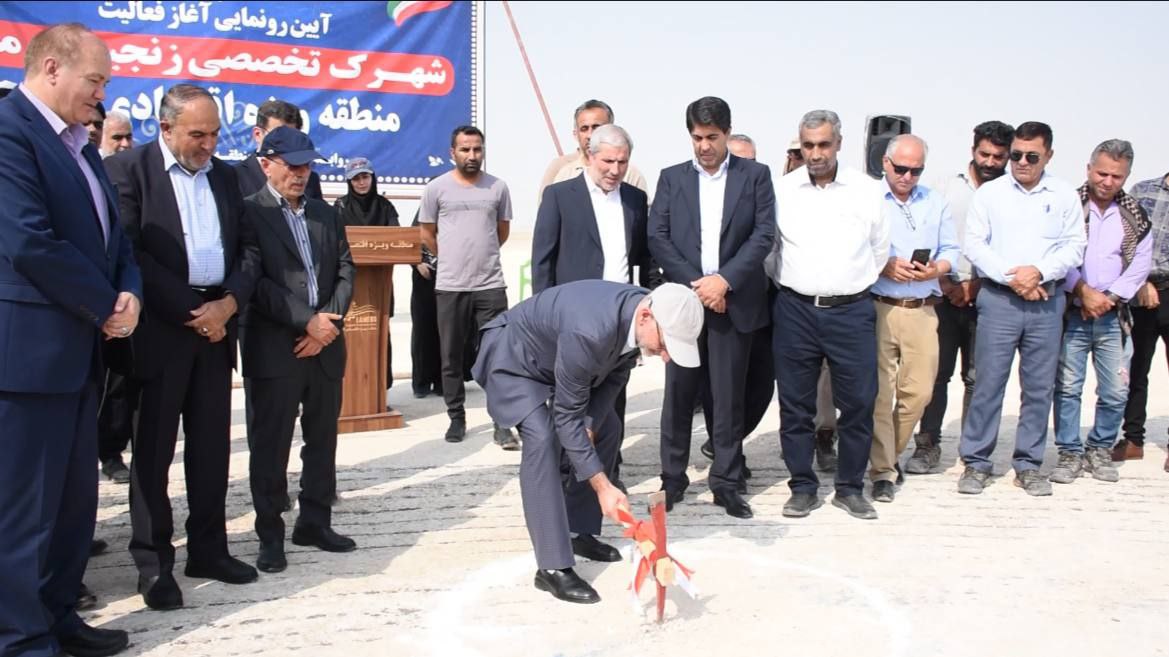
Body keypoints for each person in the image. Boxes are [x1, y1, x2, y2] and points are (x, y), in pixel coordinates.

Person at [0, 22, 141, 657]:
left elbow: (115, 239)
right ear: (52, 67)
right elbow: (29, 241)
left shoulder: (81, 145)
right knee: (22, 514)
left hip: (81, 355)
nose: (101, 93)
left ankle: (58, 619)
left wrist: (129, 291)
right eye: (95, 80)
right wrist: (105, 303)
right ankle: (19, 638)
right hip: (29, 358)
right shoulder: (9, 131)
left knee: (71, 508)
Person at [105, 83, 261, 610]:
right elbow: (130, 252)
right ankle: (154, 565)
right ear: (165, 128)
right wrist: (194, 312)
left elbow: (249, 250)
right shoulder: (129, 172)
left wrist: (228, 305)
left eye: (215, 134)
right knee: (153, 454)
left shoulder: (227, 176)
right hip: (163, 330)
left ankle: (209, 550)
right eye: (197, 134)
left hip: (217, 329)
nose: (208, 145)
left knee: (212, 448)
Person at [472, 280, 703, 604]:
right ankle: (552, 568)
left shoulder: (639, 313)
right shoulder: (590, 331)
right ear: (646, 317)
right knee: (542, 439)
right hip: (514, 359)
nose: (666, 356)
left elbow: (616, 376)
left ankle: (578, 530)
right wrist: (603, 486)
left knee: (607, 426)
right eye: (666, 344)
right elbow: (567, 416)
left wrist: (590, 428)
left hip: (557, 359)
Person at [649, 96, 775, 519]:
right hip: (686, 304)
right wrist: (699, 286)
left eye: (712, 137)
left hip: (732, 303)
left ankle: (726, 481)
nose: (704, 146)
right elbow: (658, 236)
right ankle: (672, 479)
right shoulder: (672, 178)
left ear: (727, 133)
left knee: (728, 397)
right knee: (678, 396)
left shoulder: (755, 176)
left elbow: (763, 235)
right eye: (697, 137)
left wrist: (724, 281)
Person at [243, 127, 358, 573]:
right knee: (271, 446)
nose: (300, 173)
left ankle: (315, 521)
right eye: (291, 165)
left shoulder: (325, 213)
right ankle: (270, 534)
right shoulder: (249, 212)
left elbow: (346, 269)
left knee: (322, 439)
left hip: (325, 345)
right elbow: (254, 281)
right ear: (266, 164)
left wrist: (327, 324)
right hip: (276, 348)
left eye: (306, 165)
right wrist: (305, 321)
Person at [770, 109, 887, 520]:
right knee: (795, 406)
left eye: (823, 144)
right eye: (808, 145)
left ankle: (850, 488)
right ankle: (802, 487)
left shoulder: (866, 190)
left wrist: (845, 284)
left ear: (839, 143)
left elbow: (879, 249)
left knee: (858, 404)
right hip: (796, 310)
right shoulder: (782, 190)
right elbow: (771, 250)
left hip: (851, 311)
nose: (816, 153)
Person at [958, 121, 1086, 496]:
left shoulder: (1063, 194)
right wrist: (1013, 278)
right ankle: (976, 462)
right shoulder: (991, 194)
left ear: (1049, 155)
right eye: (1016, 155)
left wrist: (1039, 273)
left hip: (1046, 301)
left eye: (1032, 156)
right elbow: (975, 244)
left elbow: (1074, 246)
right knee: (987, 384)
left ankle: (1029, 464)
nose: (1022, 162)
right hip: (999, 299)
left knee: (1038, 388)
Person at [910, 120, 1014, 474]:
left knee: (978, 378)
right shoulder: (944, 187)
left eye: (998, 156)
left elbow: (1010, 250)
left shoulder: (1011, 195)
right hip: (942, 293)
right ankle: (927, 445)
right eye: (985, 154)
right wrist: (944, 283)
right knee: (935, 375)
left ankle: (973, 452)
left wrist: (977, 286)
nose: (990, 162)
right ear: (973, 150)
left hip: (990, 296)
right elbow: (926, 234)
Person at [1049, 140, 1151, 485]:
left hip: (1113, 316)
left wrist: (1108, 298)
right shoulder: (1069, 206)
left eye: (1116, 176)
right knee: (1068, 387)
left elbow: (1139, 265)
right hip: (1073, 312)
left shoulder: (1134, 215)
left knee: (1115, 390)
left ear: (1126, 177)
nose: (1107, 182)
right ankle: (1069, 452)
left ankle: (1100, 449)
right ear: (1089, 169)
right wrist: (1083, 291)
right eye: (1102, 173)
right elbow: (1057, 254)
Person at [868, 135, 959, 503]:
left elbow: (951, 249)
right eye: (901, 168)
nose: (907, 176)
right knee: (880, 395)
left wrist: (936, 268)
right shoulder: (867, 198)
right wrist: (884, 264)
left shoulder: (934, 201)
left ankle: (887, 455)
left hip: (922, 308)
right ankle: (883, 472)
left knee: (919, 393)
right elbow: (855, 248)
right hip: (880, 305)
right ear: (885, 163)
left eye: (915, 170)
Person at [419, 126, 518, 449]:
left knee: (497, 355)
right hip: (451, 286)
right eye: (465, 149)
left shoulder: (498, 187)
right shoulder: (436, 189)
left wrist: (482, 255)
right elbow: (427, 233)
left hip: (490, 285)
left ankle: (502, 423)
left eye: (477, 149)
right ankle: (456, 417)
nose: (472, 155)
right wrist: (451, 258)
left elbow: (501, 232)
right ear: (453, 153)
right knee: (450, 355)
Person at [1116, 168, 1169, 471]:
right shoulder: (1142, 191)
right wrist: (1141, 281)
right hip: (1141, 292)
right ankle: (1132, 439)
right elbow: (1125, 242)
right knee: (1136, 369)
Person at [334, 157, 400, 390]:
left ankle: (380, 392)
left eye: (365, 177)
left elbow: (396, 240)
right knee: (348, 337)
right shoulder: (340, 207)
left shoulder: (385, 206)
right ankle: (349, 393)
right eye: (355, 179)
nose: (361, 183)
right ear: (349, 182)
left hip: (379, 283)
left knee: (380, 334)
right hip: (348, 283)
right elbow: (334, 242)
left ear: (373, 178)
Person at [537, 99, 648, 202]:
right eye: (584, 129)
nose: (590, 135)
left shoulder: (630, 174)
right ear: (576, 134)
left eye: (596, 128)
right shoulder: (561, 170)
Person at [235, 99, 323, 200]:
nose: (285, 142)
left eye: (291, 136)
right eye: (277, 135)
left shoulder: (310, 179)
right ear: (258, 134)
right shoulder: (235, 176)